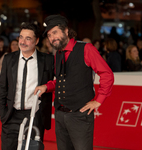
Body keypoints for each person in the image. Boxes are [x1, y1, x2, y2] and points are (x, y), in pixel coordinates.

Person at [34, 15, 114, 150]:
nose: (52, 37)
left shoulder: (86, 48)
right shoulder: (58, 53)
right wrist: (46, 87)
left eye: (55, 32)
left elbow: (107, 74)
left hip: (80, 116)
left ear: (65, 31)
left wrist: (99, 100)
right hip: (60, 115)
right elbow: (61, 81)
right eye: (49, 35)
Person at [0, 22, 54, 150]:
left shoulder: (47, 60)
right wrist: (2, 113)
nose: (23, 41)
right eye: (21, 37)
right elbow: (2, 87)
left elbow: (58, 81)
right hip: (11, 115)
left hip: (35, 116)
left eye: (28, 38)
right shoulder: (9, 59)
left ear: (37, 40)